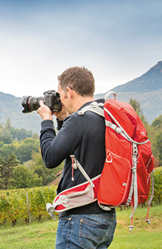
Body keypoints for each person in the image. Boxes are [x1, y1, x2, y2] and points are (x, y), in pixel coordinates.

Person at [37, 66, 117, 248]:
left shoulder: (79, 120)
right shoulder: (104, 114)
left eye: (59, 94)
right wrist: (61, 119)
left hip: (80, 218)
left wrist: (46, 122)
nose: (59, 99)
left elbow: (50, 158)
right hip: (105, 218)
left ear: (69, 92)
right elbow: (77, 147)